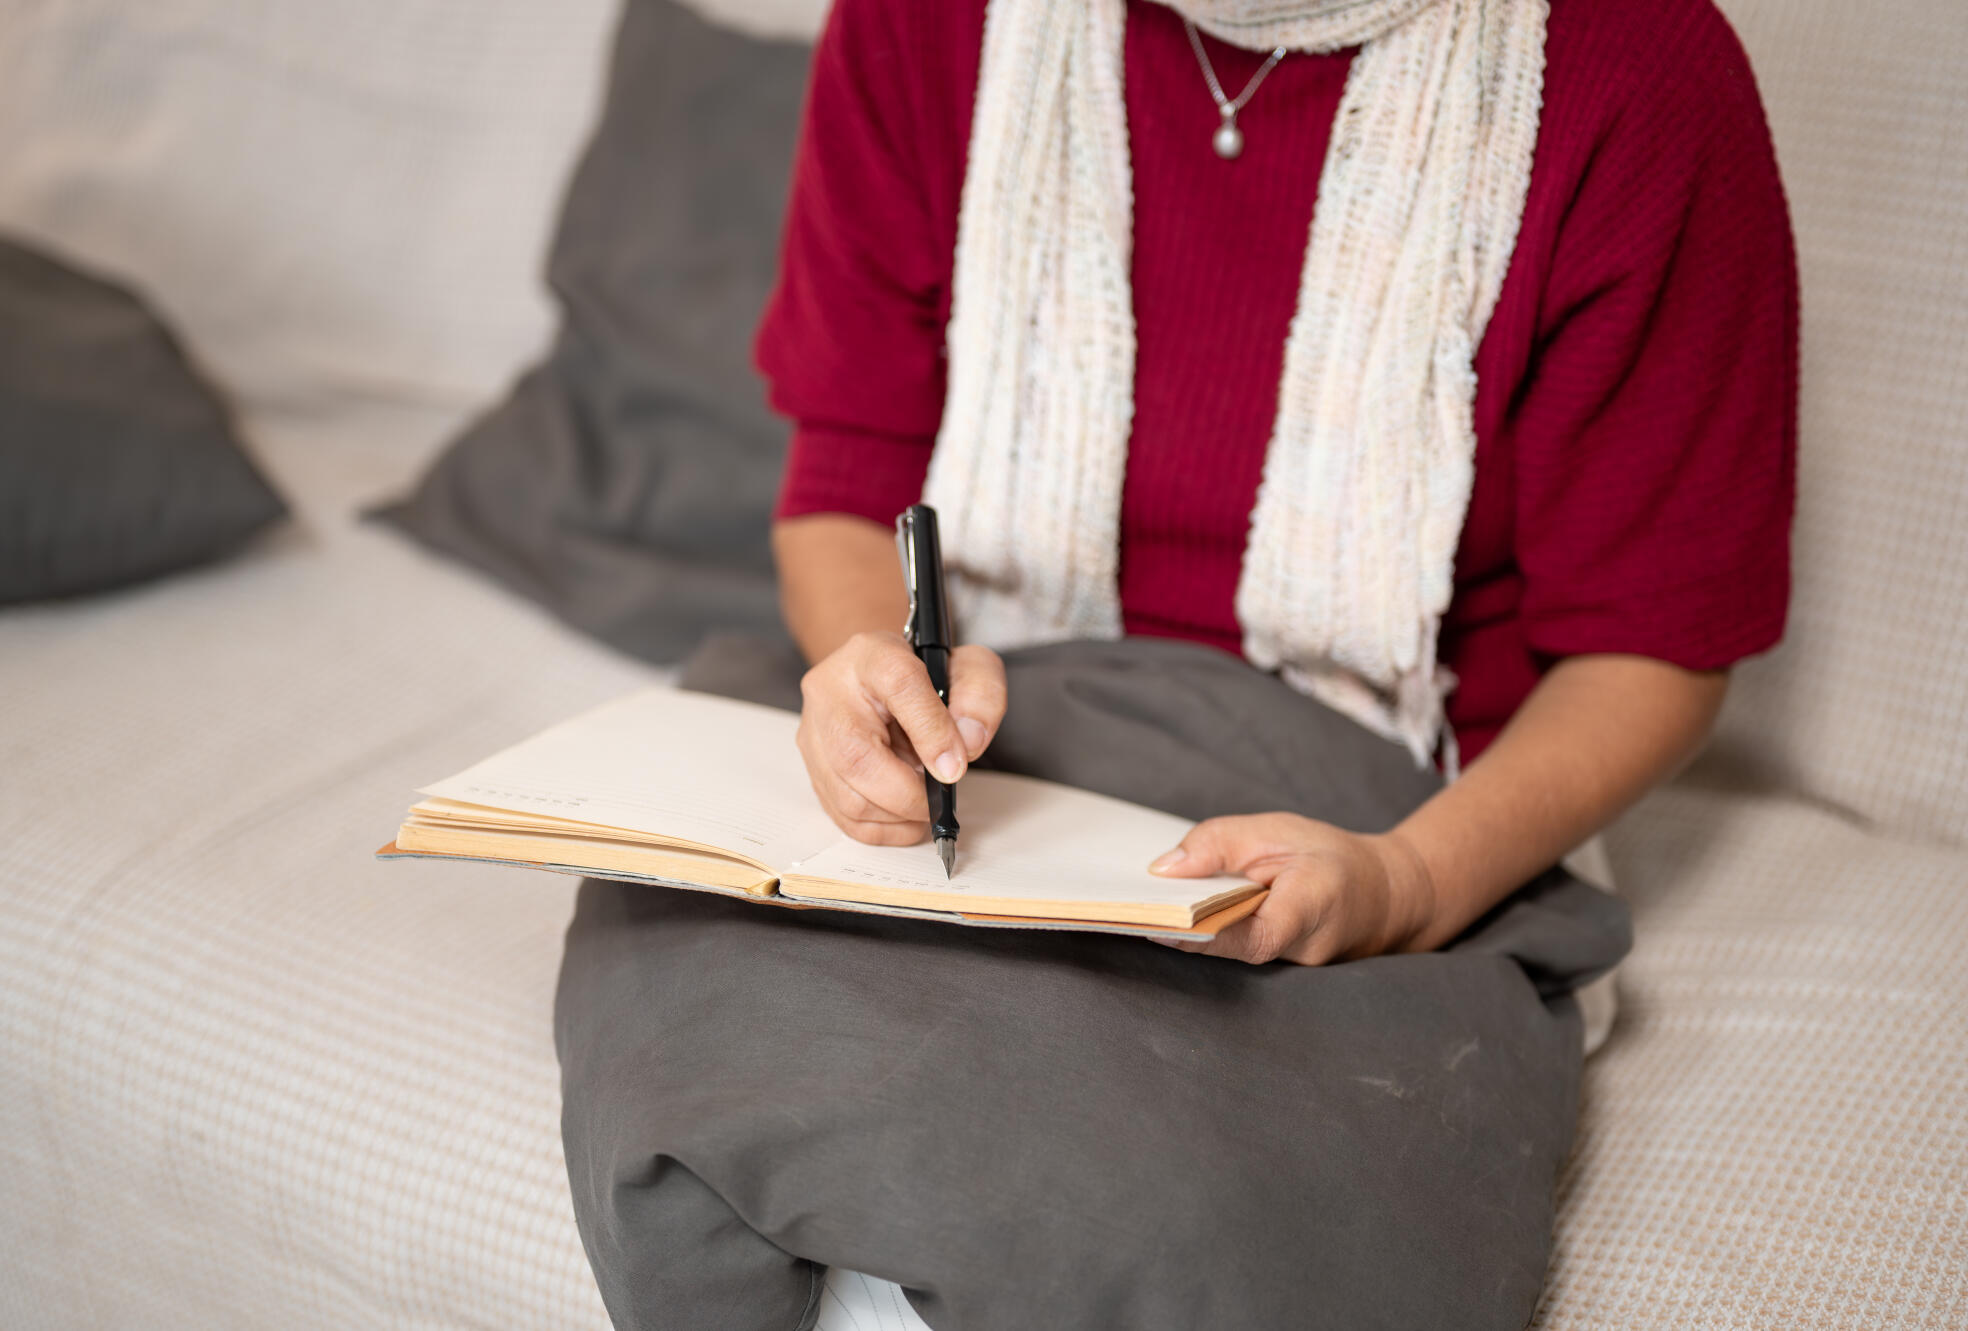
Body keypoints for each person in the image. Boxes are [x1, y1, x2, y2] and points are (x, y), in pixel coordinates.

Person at [554, 0, 1795, 1325]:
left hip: (1369, 810)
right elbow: (847, 487)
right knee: (694, 1045)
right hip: (1005, 738)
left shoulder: (1638, 70)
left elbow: (1649, 652)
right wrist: (878, 672)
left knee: (1206, 1221)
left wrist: (1408, 882)